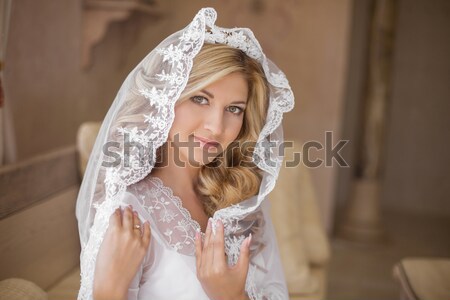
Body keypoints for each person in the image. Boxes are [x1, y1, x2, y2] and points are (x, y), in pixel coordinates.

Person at [76, 7, 294, 300]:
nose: (216, 127)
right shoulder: (128, 213)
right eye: (200, 99)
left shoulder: (242, 199)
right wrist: (109, 289)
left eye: (234, 109)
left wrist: (231, 296)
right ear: (164, 101)